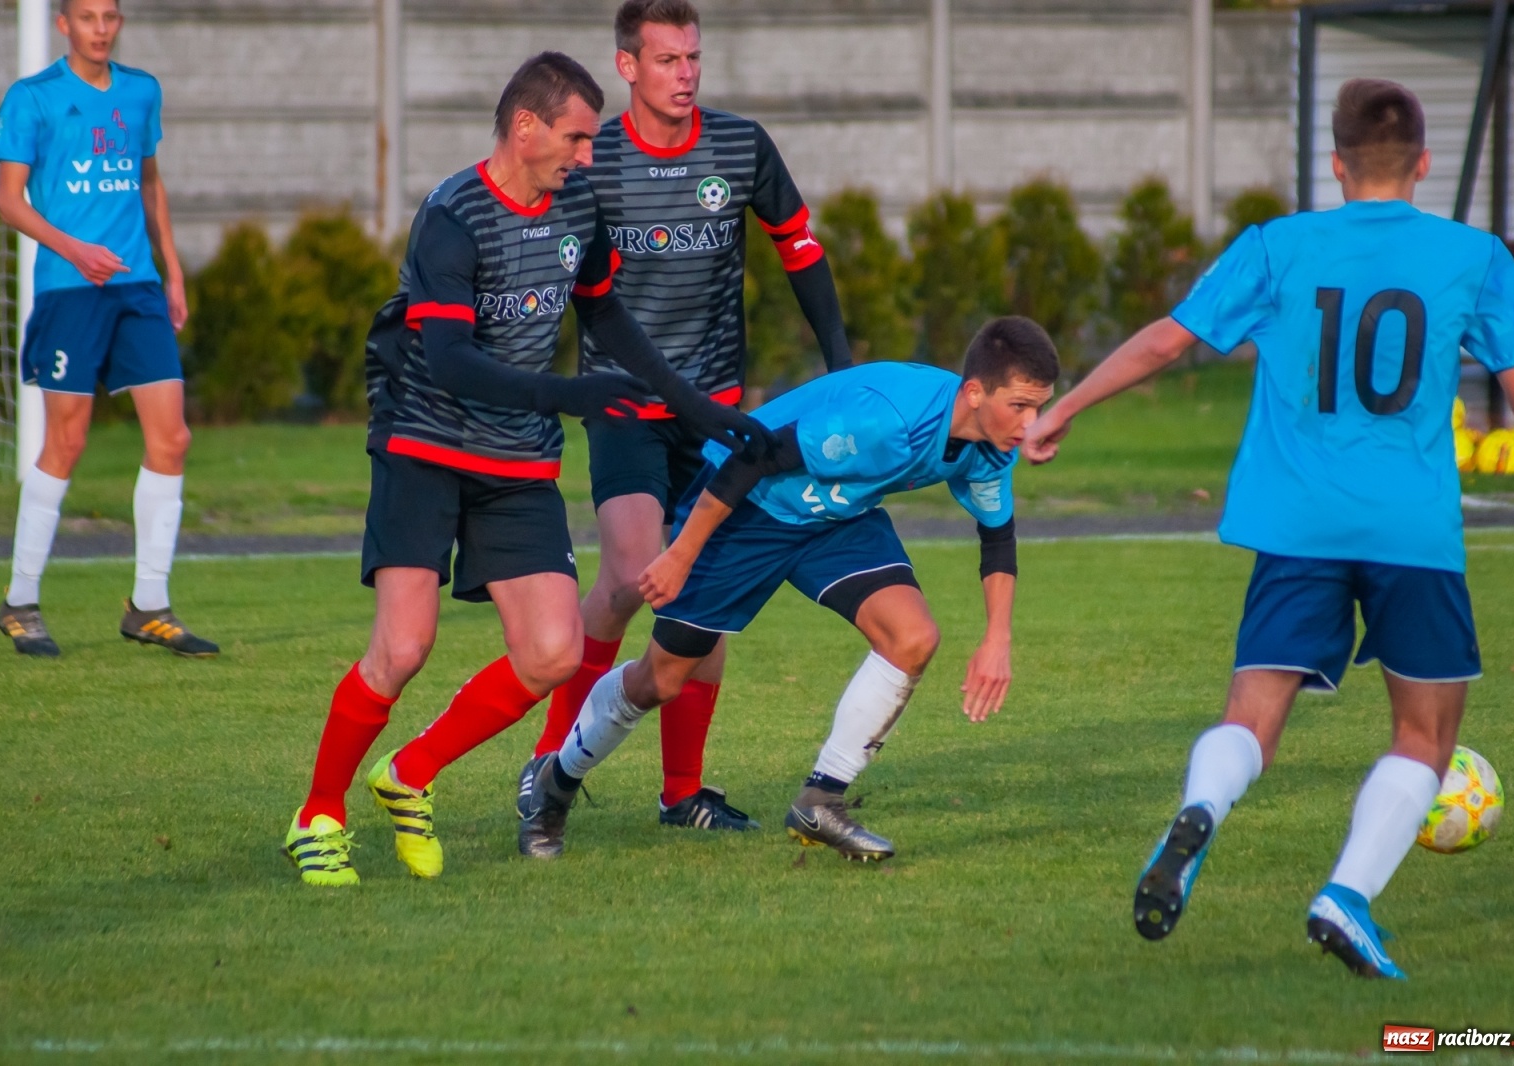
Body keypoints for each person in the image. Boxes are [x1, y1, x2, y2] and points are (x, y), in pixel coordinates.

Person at [1021, 79, 1514, 979]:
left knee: (1252, 721)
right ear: (1423, 163)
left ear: (1336, 165)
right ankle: (1346, 896)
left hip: (1298, 524)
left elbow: (1165, 341)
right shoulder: (1474, 256)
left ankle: (1202, 809)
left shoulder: (1278, 246)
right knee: (1425, 738)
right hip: (1410, 531)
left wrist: (1062, 408)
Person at [282, 52, 769, 887]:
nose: (588, 154)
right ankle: (318, 816)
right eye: (577, 138)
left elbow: (606, 316)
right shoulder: (453, 217)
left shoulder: (577, 205)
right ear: (525, 126)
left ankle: (409, 774)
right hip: (424, 446)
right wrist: (569, 394)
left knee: (552, 652)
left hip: (516, 460)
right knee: (402, 649)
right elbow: (450, 359)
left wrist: (701, 409)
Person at [518, 317, 1058, 862]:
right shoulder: (887, 419)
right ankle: (556, 782)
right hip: (749, 506)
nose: (1030, 424)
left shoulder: (992, 447)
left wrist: (997, 638)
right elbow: (757, 457)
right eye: (1019, 406)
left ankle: (821, 800)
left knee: (912, 637)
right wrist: (681, 554)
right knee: (657, 681)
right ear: (975, 392)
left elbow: (998, 538)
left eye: (1039, 407)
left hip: (838, 516)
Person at [518, 0, 854, 833]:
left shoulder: (739, 146)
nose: (686, 74)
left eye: (694, 58)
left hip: (717, 413)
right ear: (628, 66)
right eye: (668, 60)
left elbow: (799, 248)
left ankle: (682, 793)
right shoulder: (591, 161)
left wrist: (841, 365)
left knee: (702, 590)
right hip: (626, 403)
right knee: (633, 574)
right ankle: (549, 761)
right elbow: (555, 277)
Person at [0, 0, 215, 658]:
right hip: (70, 289)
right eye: (87, 17)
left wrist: (172, 270)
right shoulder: (32, 98)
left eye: (110, 16)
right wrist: (74, 250)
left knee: (172, 438)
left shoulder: (141, 91)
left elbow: (149, 183)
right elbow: (9, 200)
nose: (100, 28)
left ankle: (149, 607)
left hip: (137, 287)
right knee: (67, 440)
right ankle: (20, 601)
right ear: (64, 24)